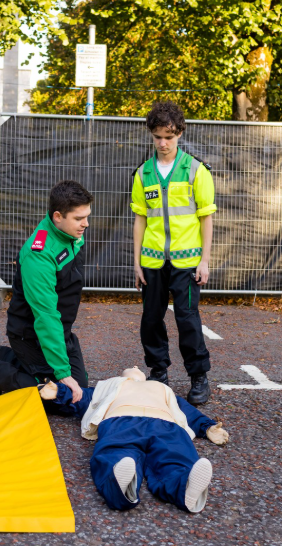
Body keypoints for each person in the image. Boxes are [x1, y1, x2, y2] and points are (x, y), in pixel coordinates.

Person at [0, 180, 93, 405]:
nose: (86, 224)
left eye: (87, 216)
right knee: (63, 398)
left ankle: (9, 359)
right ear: (57, 216)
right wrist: (62, 373)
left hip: (59, 330)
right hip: (31, 334)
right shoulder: (40, 256)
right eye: (79, 218)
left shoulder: (70, 234)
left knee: (79, 389)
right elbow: (45, 316)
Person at [39, 366, 229, 513]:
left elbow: (186, 410)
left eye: (139, 367)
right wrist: (58, 392)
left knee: (175, 455)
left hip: (157, 423)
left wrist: (208, 426)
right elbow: (81, 396)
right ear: (122, 375)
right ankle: (120, 482)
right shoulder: (110, 385)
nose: (136, 366)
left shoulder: (163, 388)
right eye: (132, 367)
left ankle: (185, 485)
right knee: (118, 453)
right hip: (128, 421)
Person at [131, 101, 217, 405]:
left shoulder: (195, 170)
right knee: (151, 319)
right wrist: (137, 261)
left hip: (188, 262)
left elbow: (206, 217)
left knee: (187, 319)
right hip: (152, 262)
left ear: (179, 133)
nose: (163, 143)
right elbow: (140, 218)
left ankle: (198, 377)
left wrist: (205, 260)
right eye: (157, 136)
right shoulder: (143, 173)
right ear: (152, 135)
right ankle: (159, 372)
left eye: (168, 135)